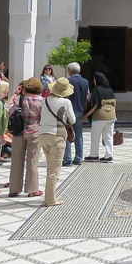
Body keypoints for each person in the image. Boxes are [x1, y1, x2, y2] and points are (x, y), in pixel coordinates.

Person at [39, 77, 77, 207]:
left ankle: (49, 196)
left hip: (42, 134)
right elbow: (73, 120)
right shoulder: (65, 102)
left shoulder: (45, 100)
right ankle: (50, 199)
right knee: (54, 169)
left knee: (50, 166)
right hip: (56, 135)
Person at [8, 78, 44, 198]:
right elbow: (42, 117)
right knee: (32, 161)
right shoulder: (41, 101)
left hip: (19, 132)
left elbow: (8, 110)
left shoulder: (18, 99)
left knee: (16, 160)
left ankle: (14, 189)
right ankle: (32, 189)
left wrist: (16, 93)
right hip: (35, 132)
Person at [83, 72, 116, 162]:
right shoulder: (110, 89)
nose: (94, 81)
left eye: (95, 80)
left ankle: (94, 155)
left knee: (95, 136)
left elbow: (95, 105)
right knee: (108, 136)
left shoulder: (96, 90)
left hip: (99, 117)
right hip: (111, 116)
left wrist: (87, 115)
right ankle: (109, 155)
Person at [63, 62, 89, 166]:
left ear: (71, 70)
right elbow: (87, 96)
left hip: (70, 110)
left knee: (68, 133)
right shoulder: (85, 82)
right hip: (80, 110)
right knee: (79, 134)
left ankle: (67, 158)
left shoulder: (68, 81)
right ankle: (79, 157)